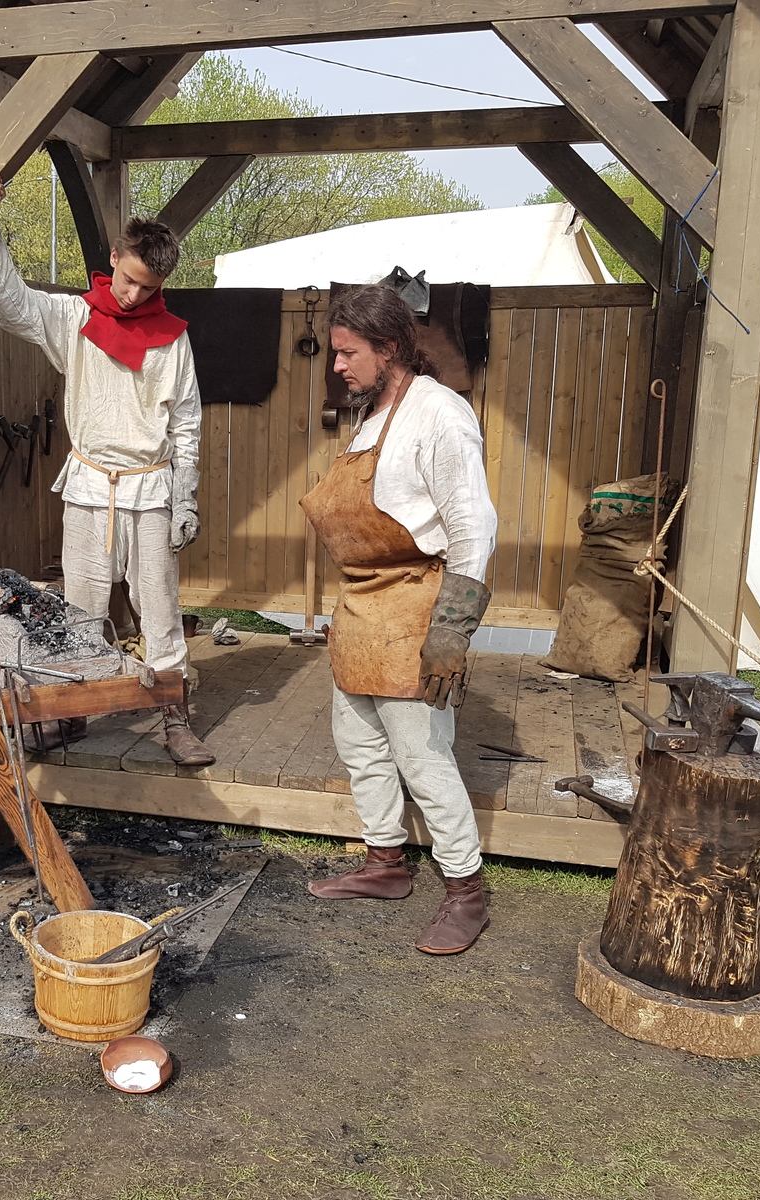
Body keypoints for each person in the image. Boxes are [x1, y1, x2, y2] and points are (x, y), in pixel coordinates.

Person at [0, 175, 212, 766]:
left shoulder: (172, 342)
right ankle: (69, 711)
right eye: (126, 279)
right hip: (90, 484)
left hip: (150, 486)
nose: (130, 296)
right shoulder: (74, 319)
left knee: (159, 608)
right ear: (113, 260)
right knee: (81, 607)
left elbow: (187, 426)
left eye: (145, 287)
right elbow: (10, 304)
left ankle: (174, 714)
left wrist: (185, 499)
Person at [299, 285, 498, 955]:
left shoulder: (440, 414)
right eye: (335, 354)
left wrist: (454, 625)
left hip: (416, 604)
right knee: (359, 743)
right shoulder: (369, 420)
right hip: (361, 604)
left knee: (422, 754)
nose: (338, 367)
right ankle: (385, 864)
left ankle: (466, 890)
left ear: (388, 350)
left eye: (349, 354)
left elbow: (474, 527)